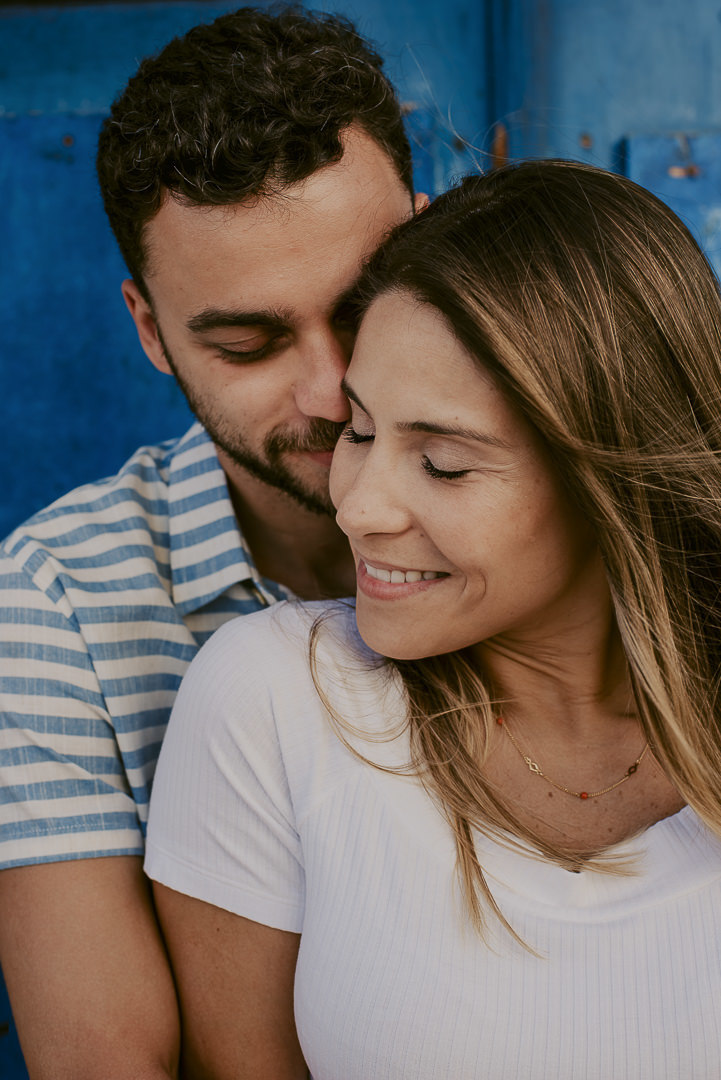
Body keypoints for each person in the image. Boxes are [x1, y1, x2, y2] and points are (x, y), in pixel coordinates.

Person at [146, 159, 721, 1079]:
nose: (358, 507)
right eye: (361, 432)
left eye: (445, 464)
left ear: (608, 479)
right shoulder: (275, 701)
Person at [0, 6, 425, 1077]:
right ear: (150, 331)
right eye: (249, 341)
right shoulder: (52, 605)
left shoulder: (595, 512)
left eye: (365, 300)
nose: (334, 390)